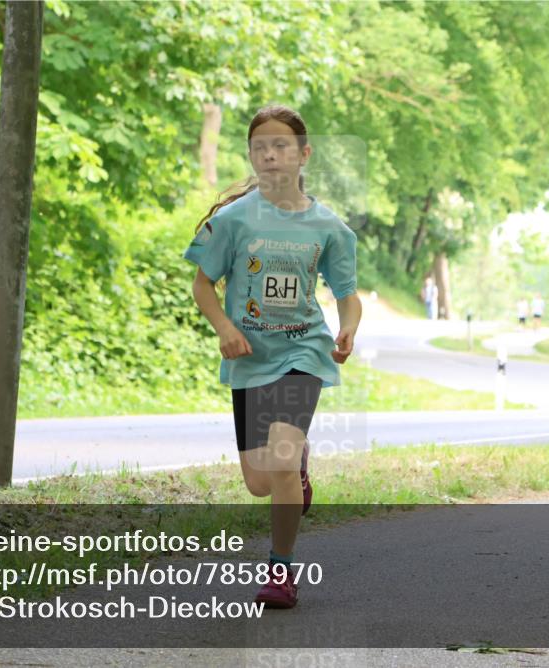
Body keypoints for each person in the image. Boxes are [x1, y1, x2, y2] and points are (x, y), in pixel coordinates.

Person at [183, 104, 361, 609]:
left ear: (304, 155)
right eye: (260, 147)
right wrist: (224, 328)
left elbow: (348, 293)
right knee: (262, 482)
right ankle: (297, 464)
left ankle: (281, 571)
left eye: (281, 146)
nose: (270, 155)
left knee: (278, 459)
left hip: (303, 351)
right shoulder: (233, 220)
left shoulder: (329, 226)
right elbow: (203, 285)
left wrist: (347, 327)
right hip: (250, 357)